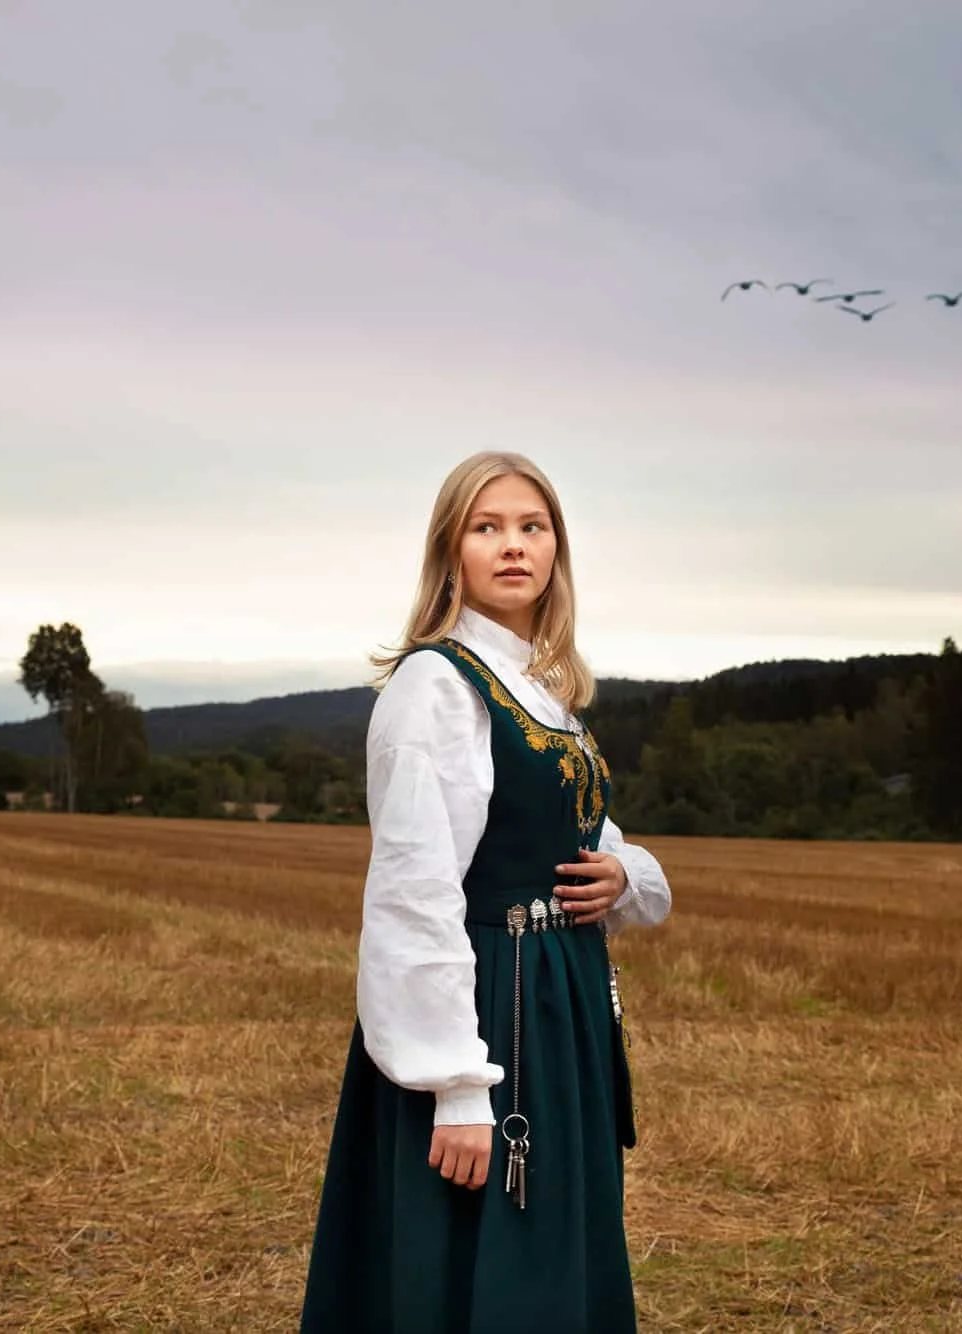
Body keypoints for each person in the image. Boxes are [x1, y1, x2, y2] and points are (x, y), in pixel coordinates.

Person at [299, 451, 674, 1333]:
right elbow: (413, 894)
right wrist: (458, 1087)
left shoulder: (542, 693)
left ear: (557, 553)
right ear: (451, 550)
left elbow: (592, 841)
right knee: (483, 1250)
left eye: (532, 527)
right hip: (492, 1005)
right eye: (488, 527)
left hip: (561, 1000)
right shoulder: (438, 684)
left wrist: (629, 877)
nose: (514, 546)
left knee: (551, 1242)